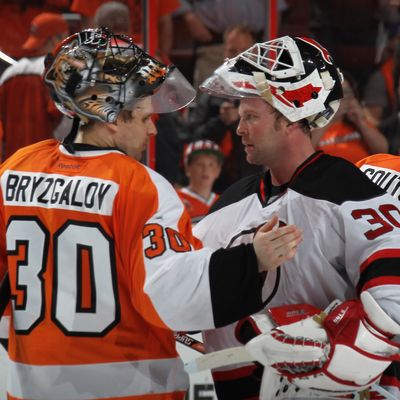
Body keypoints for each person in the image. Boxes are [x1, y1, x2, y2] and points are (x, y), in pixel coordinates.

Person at [0, 28, 304, 400]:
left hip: (28, 389)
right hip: (127, 390)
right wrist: (251, 259)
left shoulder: (17, 168)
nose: (153, 126)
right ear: (111, 118)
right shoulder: (139, 185)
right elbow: (172, 297)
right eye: (144, 115)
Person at [193, 35, 400, 399]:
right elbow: (189, 297)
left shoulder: (350, 193)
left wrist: (345, 352)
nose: (239, 129)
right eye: (240, 117)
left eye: (251, 117)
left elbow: (392, 307)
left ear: (291, 117)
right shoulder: (229, 202)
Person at [0, 12, 69, 161]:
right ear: (57, 38)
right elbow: (66, 125)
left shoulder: (8, 74)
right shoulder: (56, 72)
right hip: (47, 165)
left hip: (12, 164)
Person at [312, 74, 389, 163]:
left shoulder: (357, 124)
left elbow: (383, 150)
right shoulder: (315, 125)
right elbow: (305, 154)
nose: (345, 98)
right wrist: (330, 118)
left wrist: (360, 122)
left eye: (348, 93)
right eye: (340, 93)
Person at [177, 139, 223, 224]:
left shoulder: (224, 202)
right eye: (199, 164)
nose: (206, 169)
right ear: (188, 168)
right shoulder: (176, 199)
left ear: (218, 170)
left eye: (211, 164)